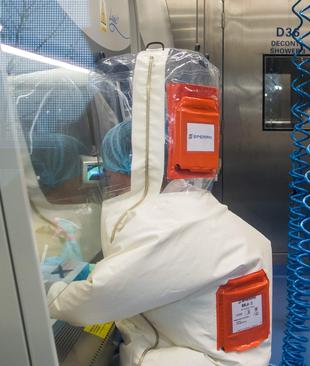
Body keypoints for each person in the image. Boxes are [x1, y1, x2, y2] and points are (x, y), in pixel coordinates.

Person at [47, 48, 273, 366]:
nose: (107, 177)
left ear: (139, 168)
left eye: (111, 169)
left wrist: (48, 289)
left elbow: (89, 304)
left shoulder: (170, 227)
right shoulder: (196, 210)